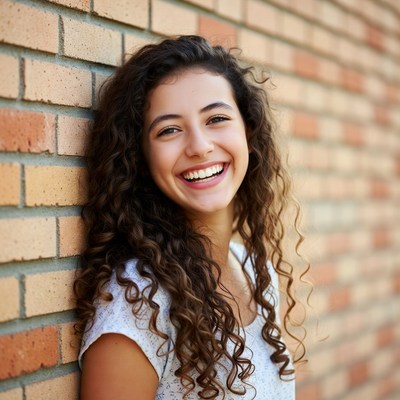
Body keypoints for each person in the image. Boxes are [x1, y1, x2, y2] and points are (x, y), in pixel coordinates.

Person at [74, 35, 308, 400]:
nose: (199, 146)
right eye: (169, 130)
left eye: (216, 118)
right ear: (142, 157)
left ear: (247, 131)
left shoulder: (253, 271)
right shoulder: (140, 300)